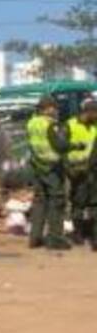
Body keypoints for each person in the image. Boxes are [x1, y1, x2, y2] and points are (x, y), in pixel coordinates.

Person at [26, 95, 71, 250]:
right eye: (54, 107)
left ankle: (35, 237)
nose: (56, 110)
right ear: (48, 108)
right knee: (57, 201)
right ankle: (55, 239)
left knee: (39, 201)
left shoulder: (31, 123)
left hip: (37, 166)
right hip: (52, 167)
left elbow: (32, 145)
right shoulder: (52, 125)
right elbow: (60, 146)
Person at [64, 97, 97, 250]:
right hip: (77, 170)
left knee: (94, 203)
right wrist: (69, 167)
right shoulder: (70, 124)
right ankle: (78, 234)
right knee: (78, 203)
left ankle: (92, 235)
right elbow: (62, 147)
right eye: (94, 112)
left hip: (93, 170)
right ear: (87, 112)